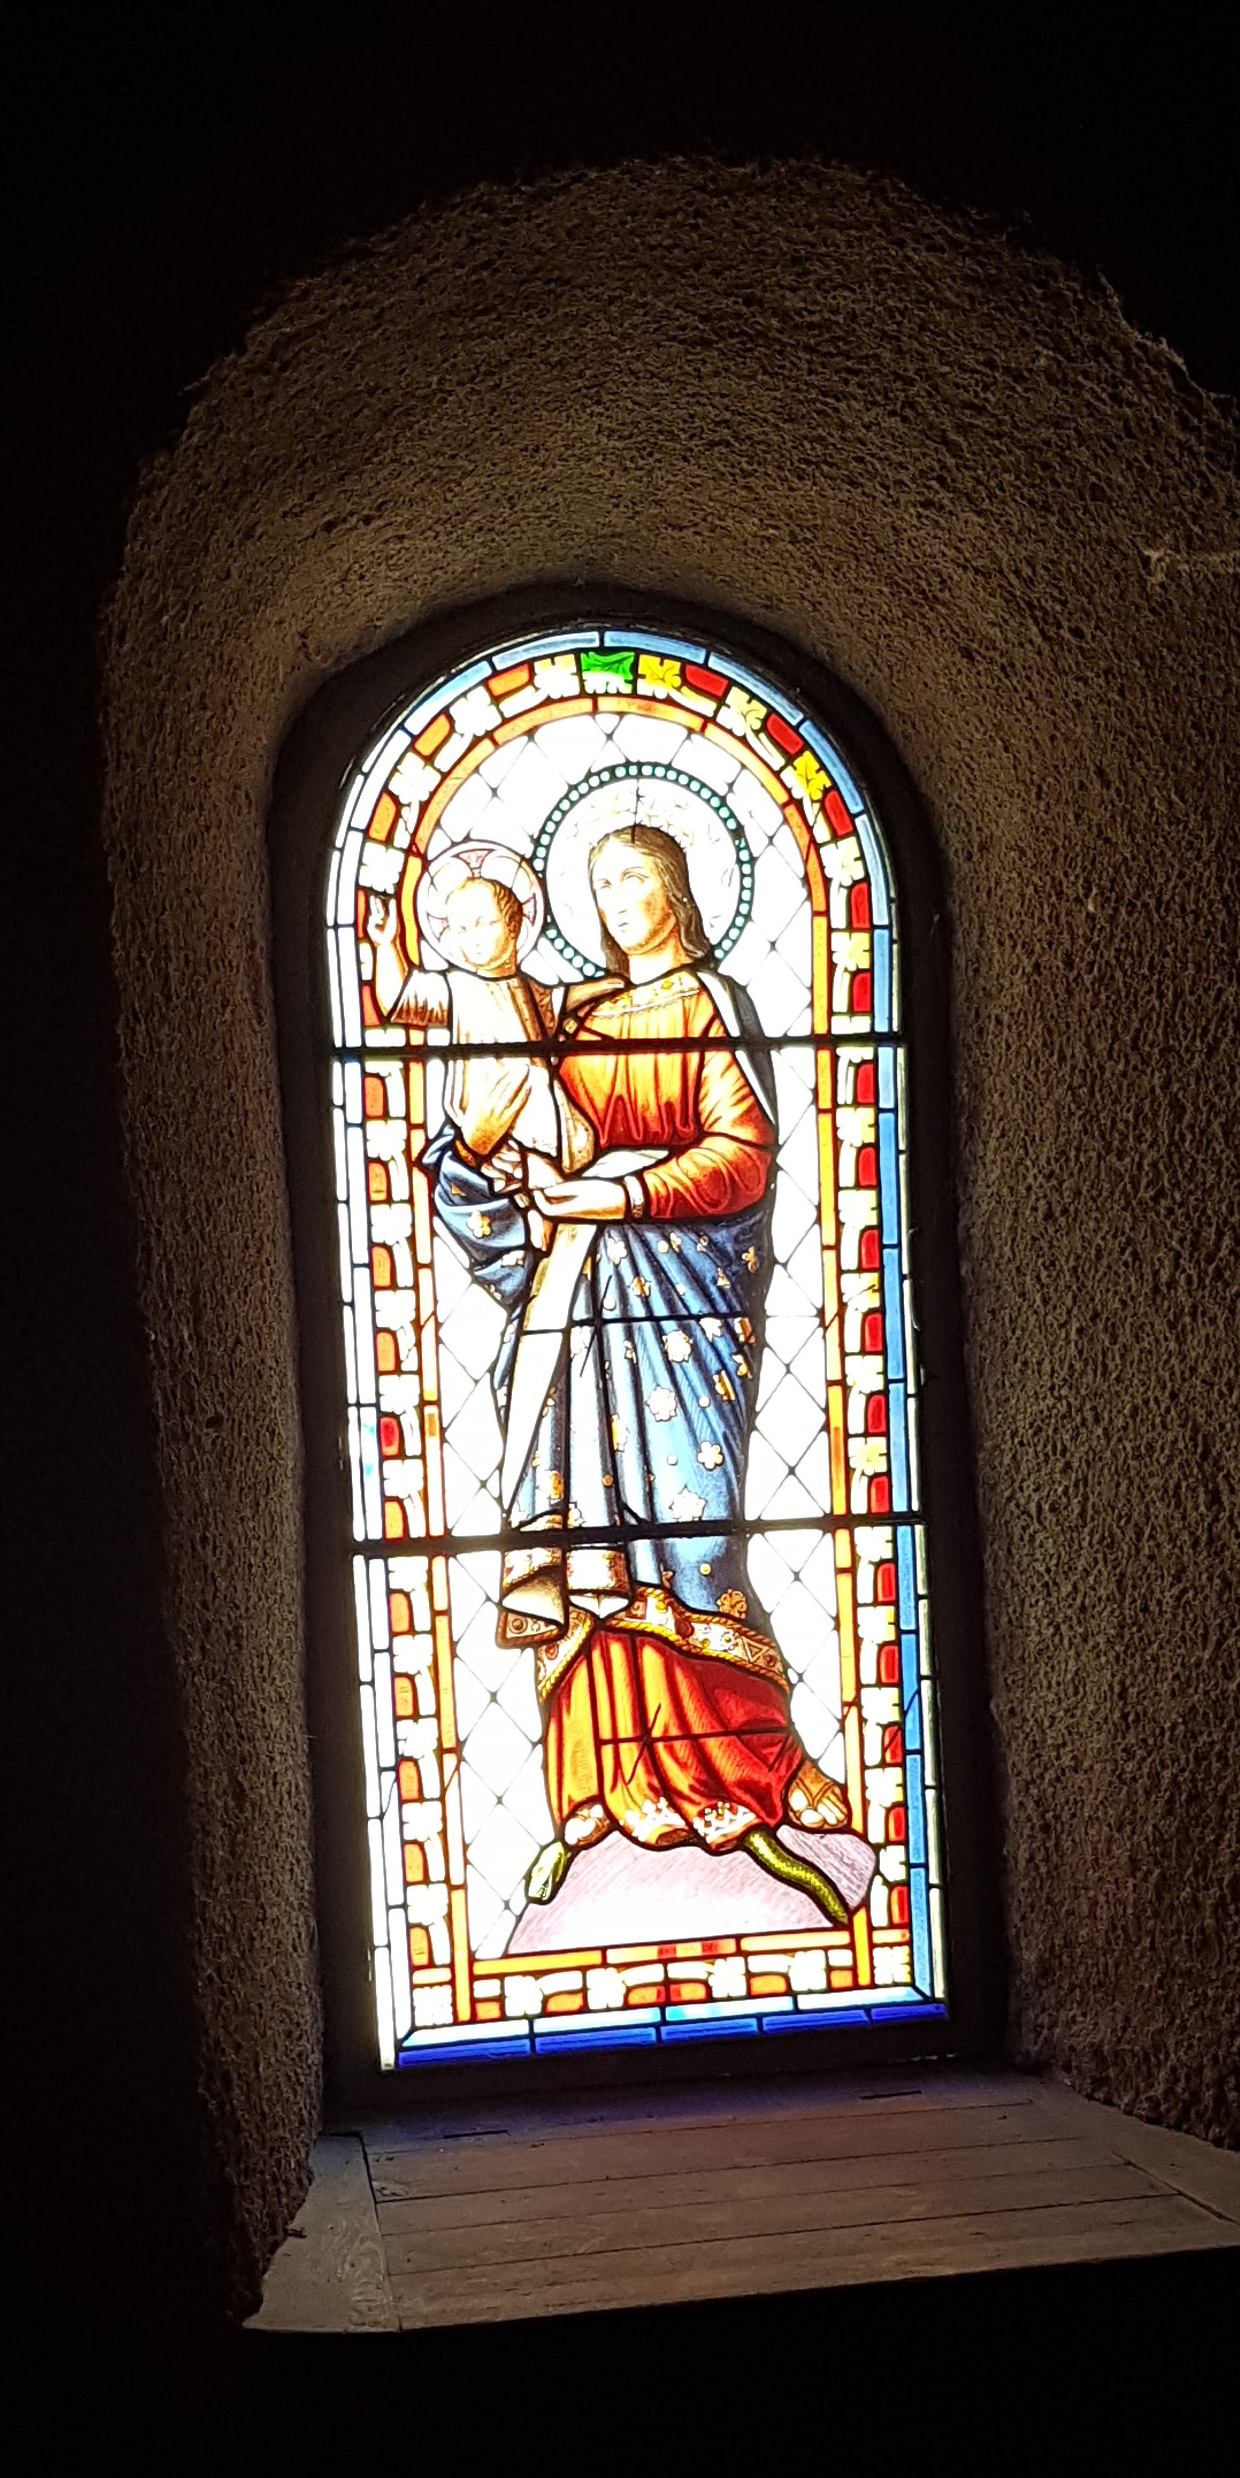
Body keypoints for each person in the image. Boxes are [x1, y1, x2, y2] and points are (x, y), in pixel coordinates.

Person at [424, 820, 856, 1918]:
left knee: (692, 1538)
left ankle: (755, 1771)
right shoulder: (569, 1017)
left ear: (679, 888)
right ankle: (604, 1789)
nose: (617, 900)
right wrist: (480, 1151)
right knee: (587, 1545)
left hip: (682, 1305)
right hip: (572, 1306)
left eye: (634, 879)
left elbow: (741, 1155)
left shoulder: (709, 1004)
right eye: (599, 884)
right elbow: (496, 1114)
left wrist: (620, 1194)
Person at [364, 842, 594, 1174]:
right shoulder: (457, 987)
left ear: (514, 925)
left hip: (543, 1110)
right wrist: (387, 945)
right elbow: (399, 999)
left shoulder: (530, 989)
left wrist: (611, 985)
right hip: (489, 1121)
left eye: (484, 923)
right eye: (460, 929)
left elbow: (561, 1000)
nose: (473, 937)